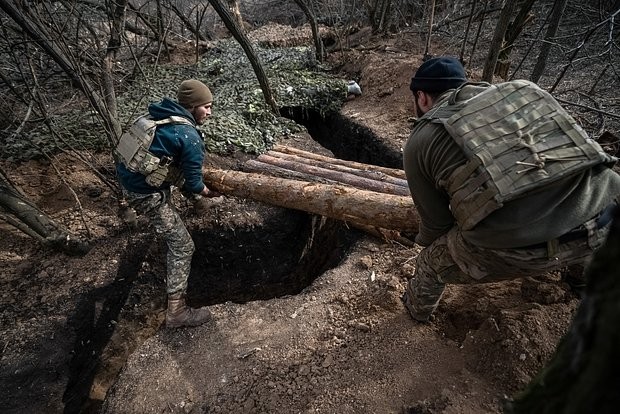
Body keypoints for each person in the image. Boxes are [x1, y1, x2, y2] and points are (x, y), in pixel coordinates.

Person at [401, 56, 620, 322]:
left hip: (516, 250)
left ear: (422, 97)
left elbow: (436, 226)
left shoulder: (422, 138)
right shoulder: (526, 91)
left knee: (429, 263)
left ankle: (416, 315)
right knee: (575, 200)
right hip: (605, 221)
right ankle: (582, 283)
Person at [116, 79, 221, 328]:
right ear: (192, 106)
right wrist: (206, 192)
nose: (209, 112)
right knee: (183, 246)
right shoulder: (189, 135)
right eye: (206, 107)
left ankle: (195, 205)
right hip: (145, 193)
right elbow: (195, 182)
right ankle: (177, 312)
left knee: (174, 169)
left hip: (128, 178)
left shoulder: (157, 116)